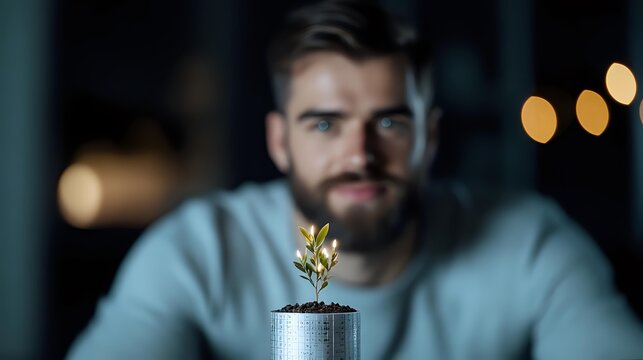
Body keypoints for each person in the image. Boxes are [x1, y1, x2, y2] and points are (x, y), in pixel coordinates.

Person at [68, 1, 643, 359]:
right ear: (278, 141)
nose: (359, 154)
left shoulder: (531, 245)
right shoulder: (195, 253)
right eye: (325, 123)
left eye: (389, 121)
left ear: (431, 136)